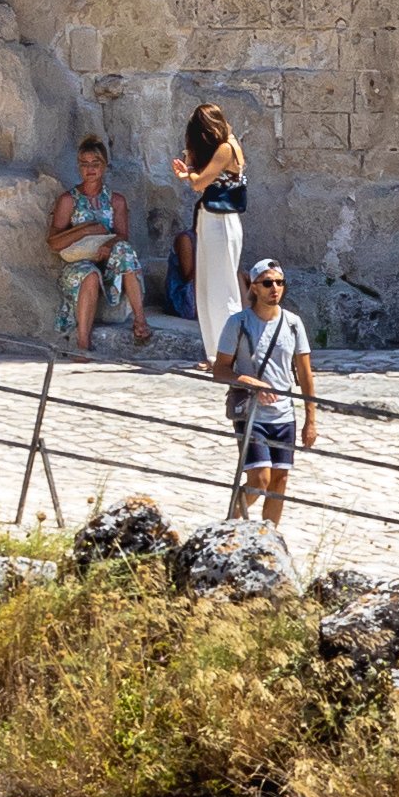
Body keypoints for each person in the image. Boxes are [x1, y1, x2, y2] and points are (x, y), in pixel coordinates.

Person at [215, 254, 317, 526]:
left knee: (280, 482)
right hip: (251, 413)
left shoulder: (294, 324)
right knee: (259, 477)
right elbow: (220, 369)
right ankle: (232, 524)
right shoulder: (238, 323)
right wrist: (251, 382)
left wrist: (311, 419)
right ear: (254, 287)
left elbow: (305, 374)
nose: (275, 288)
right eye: (268, 283)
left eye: (280, 282)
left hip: (284, 415)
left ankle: (268, 537)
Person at [47, 136, 143, 356]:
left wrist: (110, 242)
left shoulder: (116, 201)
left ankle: (140, 321)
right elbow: (53, 243)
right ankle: (83, 345)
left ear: (104, 166)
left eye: (95, 163)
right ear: (79, 167)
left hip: (108, 264)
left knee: (125, 251)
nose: (89, 169)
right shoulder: (68, 200)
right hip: (78, 265)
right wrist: (87, 229)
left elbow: (123, 236)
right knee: (88, 275)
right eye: (84, 164)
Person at [174, 104, 251, 364]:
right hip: (210, 219)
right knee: (206, 289)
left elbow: (200, 183)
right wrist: (190, 170)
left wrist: (189, 172)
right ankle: (215, 354)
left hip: (221, 222)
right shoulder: (225, 145)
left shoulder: (227, 147)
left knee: (223, 290)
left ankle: (232, 354)